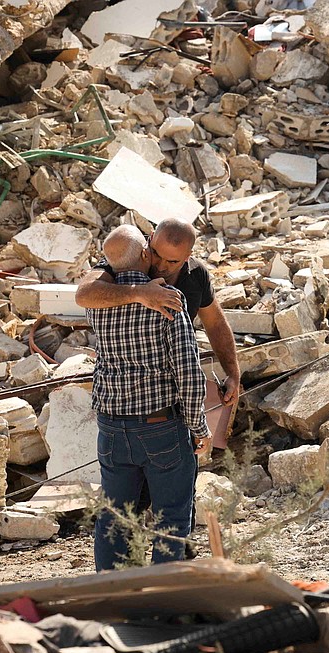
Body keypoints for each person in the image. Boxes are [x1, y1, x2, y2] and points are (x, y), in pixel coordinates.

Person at [86, 226, 211, 571]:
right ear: (145, 254)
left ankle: (110, 593)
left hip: (111, 427)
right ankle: (164, 597)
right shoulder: (168, 297)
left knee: (114, 516)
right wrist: (198, 426)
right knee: (172, 515)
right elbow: (188, 370)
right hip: (160, 426)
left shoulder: (98, 302)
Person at [75, 218, 241, 405]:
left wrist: (232, 374)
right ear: (150, 239)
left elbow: (215, 324)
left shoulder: (196, 274)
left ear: (188, 255)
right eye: (156, 253)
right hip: (123, 396)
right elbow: (84, 294)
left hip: (177, 393)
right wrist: (137, 293)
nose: (161, 266)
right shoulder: (130, 255)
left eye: (172, 261)